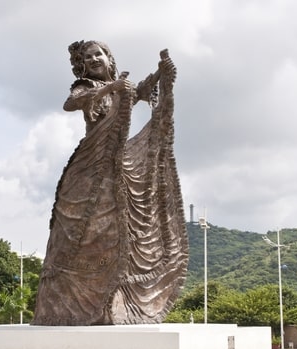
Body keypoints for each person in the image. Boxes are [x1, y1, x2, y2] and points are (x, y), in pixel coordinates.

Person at [31, 40, 188, 326]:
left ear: (108, 57)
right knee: (79, 229)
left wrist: (160, 74)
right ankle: (66, 303)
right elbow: (70, 103)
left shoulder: (120, 85)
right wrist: (107, 89)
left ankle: (117, 301)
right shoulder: (85, 85)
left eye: (98, 54)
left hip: (114, 161)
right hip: (90, 162)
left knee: (121, 224)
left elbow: (139, 92)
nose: (93, 59)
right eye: (88, 56)